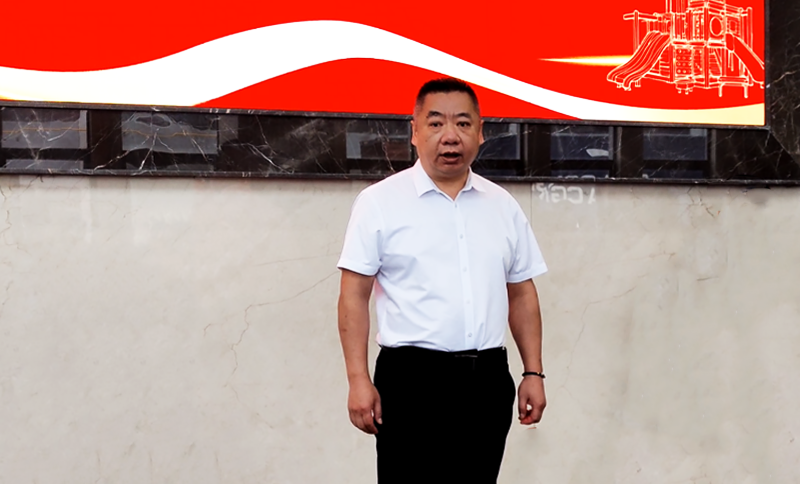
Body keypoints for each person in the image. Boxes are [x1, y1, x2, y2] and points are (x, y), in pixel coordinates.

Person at [337, 78, 548, 484]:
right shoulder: (380, 202)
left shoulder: (502, 205)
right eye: (435, 124)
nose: (450, 136)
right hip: (411, 381)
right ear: (414, 131)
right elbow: (353, 297)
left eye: (463, 124)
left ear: (480, 132)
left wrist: (533, 373)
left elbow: (522, 293)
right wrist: (358, 380)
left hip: (487, 380)